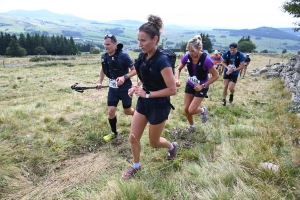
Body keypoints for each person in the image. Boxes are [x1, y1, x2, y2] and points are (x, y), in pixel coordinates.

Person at [122, 14, 177, 179]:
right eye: (138, 40)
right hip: (143, 103)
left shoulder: (163, 62)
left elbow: (172, 89)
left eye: (143, 40)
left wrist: (148, 94)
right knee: (133, 137)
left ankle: (172, 146)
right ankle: (136, 166)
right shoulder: (143, 57)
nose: (140, 44)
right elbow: (143, 77)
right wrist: (136, 86)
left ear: (155, 39)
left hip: (159, 105)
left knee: (154, 142)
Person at [96, 34, 136, 141]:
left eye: (108, 44)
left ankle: (139, 115)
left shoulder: (124, 56)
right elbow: (103, 69)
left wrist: (124, 77)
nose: (106, 46)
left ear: (115, 44)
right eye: (104, 44)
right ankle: (114, 133)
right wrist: (100, 82)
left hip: (125, 88)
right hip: (113, 89)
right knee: (111, 111)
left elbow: (135, 70)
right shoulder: (104, 56)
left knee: (127, 111)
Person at [175, 35, 219, 131]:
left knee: (192, 110)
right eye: (189, 51)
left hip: (203, 86)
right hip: (190, 84)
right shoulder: (187, 57)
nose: (190, 53)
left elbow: (216, 76)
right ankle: (192, 126)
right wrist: (177, 79)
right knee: (186, 109)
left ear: (199, 48)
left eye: (193, 51)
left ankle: (203, 110)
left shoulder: (207, 60)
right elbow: (178, 69)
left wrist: (203, 85)